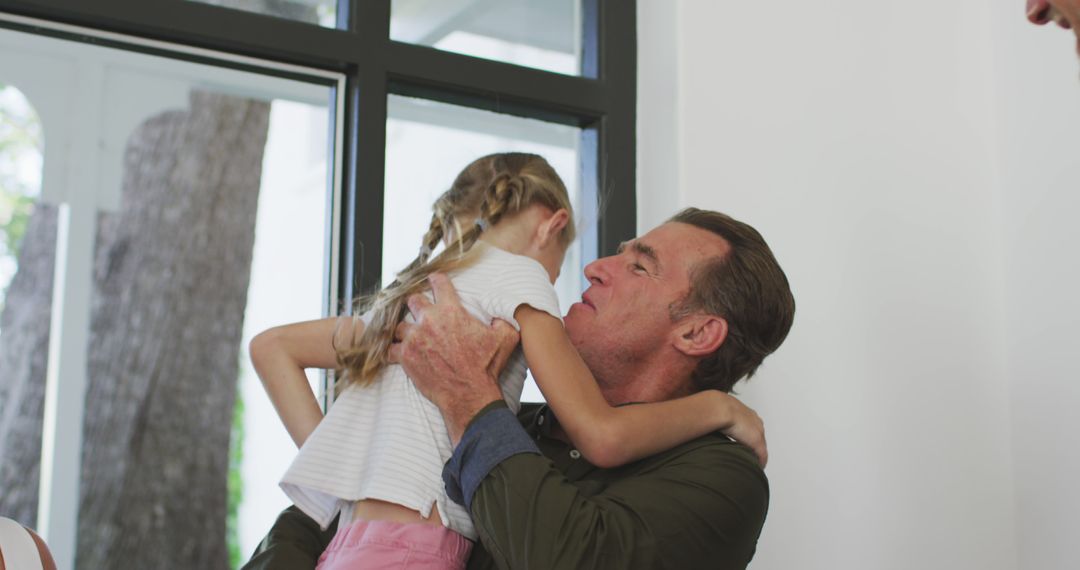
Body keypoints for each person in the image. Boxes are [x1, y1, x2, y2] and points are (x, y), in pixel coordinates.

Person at [248, 154, 769, 570]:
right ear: (553, 224)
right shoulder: (509, 413)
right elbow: (300, 528)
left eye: (638, 266)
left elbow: (571, 557)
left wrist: (468, 399)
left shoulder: (721, 479)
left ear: (698, 332)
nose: (592, 266)